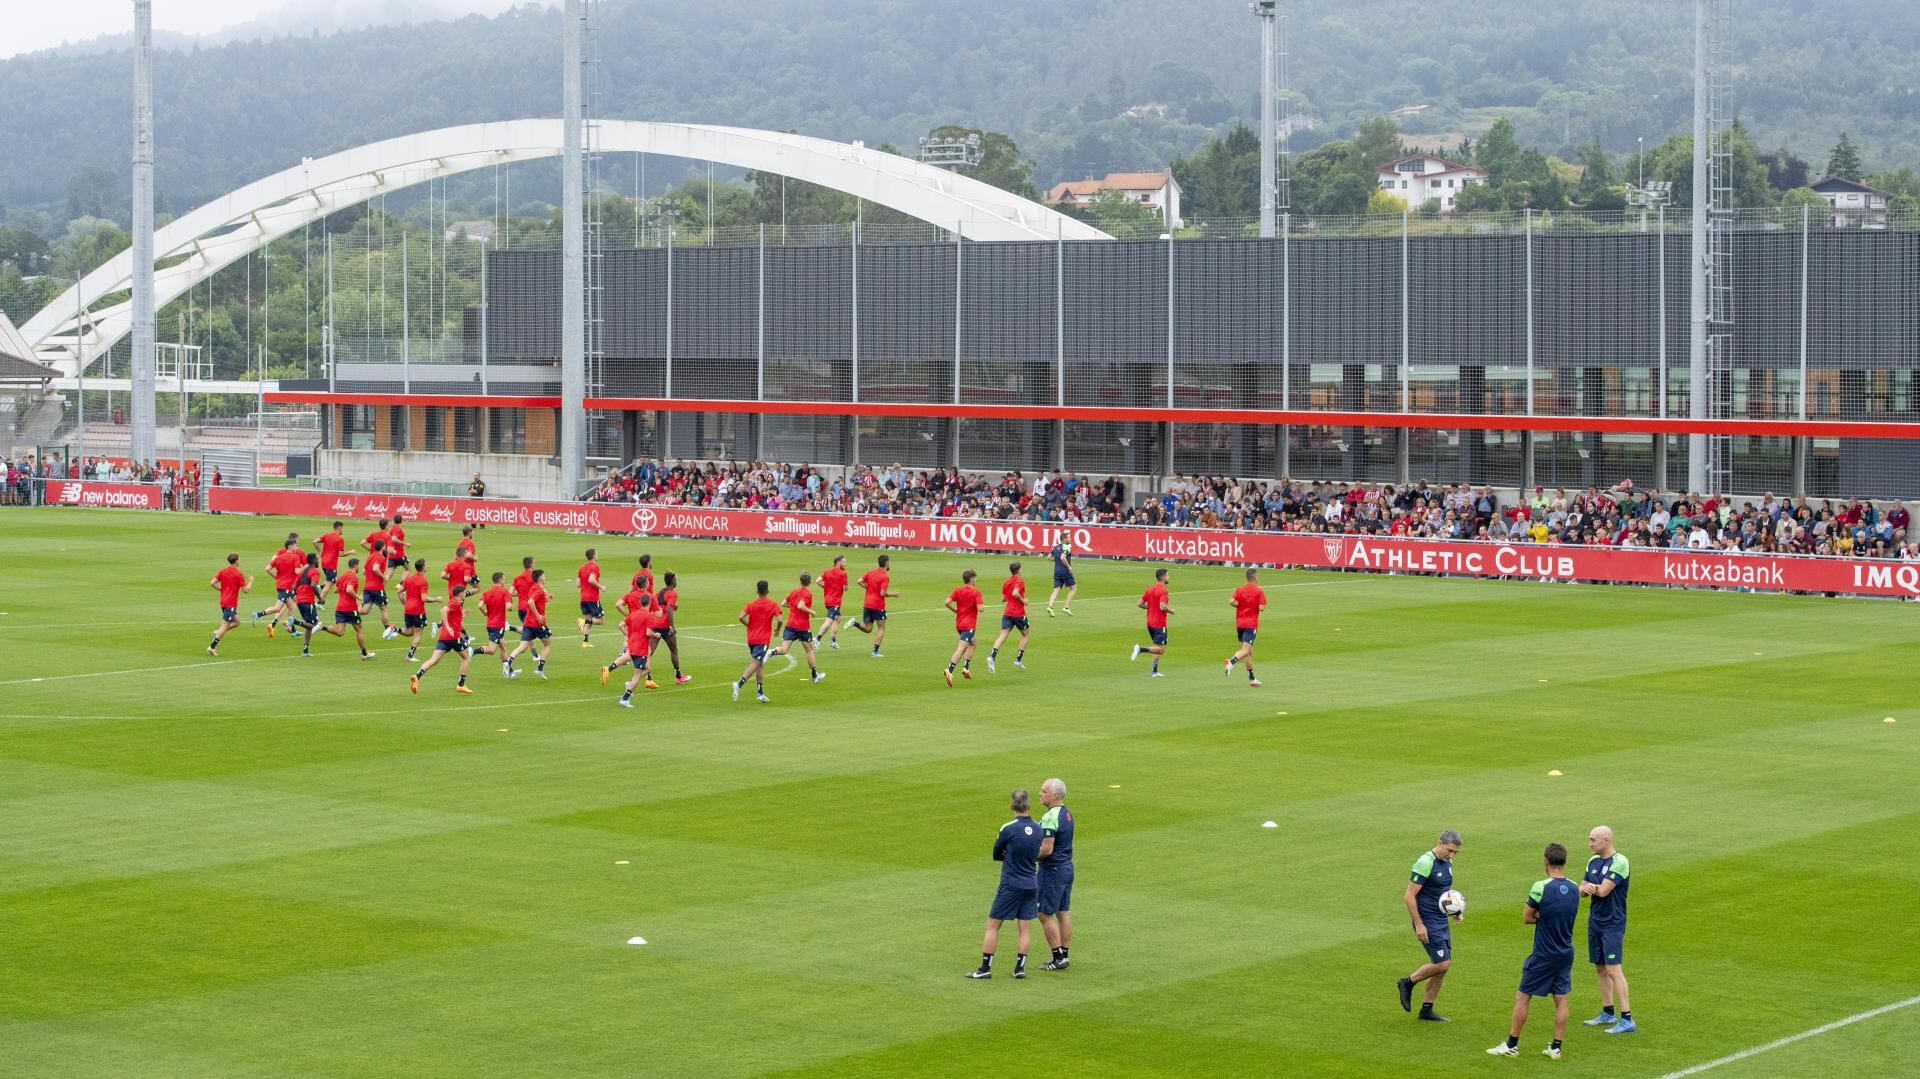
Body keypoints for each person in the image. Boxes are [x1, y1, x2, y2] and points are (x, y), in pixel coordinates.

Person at [1487, 844, 1580, 1060]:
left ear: (1545, 861)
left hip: (1543, 953)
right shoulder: (1575, 887)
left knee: (1523, 996)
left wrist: (1541, 917)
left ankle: (1512, 1045)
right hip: (1566, 951)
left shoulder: (1541, 886)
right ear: (1564, 862)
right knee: (1561, 999)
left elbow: (1527, 917)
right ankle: (1556, 1047)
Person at [966, 788, 1043, 980]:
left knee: (993, 924)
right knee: (1024, 927)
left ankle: (985, 969)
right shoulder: (1038, 828)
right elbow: (1035, 853)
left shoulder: (1008, 828)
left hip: (1011, 883)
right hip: (1031, 883)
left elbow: (995, 853)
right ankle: (1019, 969)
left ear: (1011, 806)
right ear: (1029, 806)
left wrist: (1008, 857)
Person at [1398, 829, 1464, 1022]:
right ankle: (1407, 982)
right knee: (1442, 963)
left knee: (1442, 968)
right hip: (1427, 920)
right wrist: (1419, 925)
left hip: (1440, 919)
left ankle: (1426, 1010)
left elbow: (1444, 893)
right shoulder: (1425, 862)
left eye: (1456, 853)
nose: (1452, 855)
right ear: (1440, 843)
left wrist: (1455, 912)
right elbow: (1409, 896)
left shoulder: (1447, 862)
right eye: (1450, 850)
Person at [1579, 826, 1635, 1034]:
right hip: (1595, 921)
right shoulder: (1593, 862)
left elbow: (1603, 890)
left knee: (1613, 968)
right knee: (1600, 967)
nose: (1590, 843)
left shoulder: (1620, 862)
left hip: (1613, 922)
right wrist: (1587, 888)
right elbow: (1581, 889)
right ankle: (1608, 1012)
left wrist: (1591, 888)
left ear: (1607, 840)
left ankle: (1627, 1018)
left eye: (1593, 840)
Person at [411, 580, 483, 695]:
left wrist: (461, 614)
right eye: (464, 592)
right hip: (454, 637)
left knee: (434, 660)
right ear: (459, 593)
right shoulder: (456, 602)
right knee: (467, 657)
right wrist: (449, 626)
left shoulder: (455, 603)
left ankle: (417, 675)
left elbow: (452, 615)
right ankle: (461, 685)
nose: (466, 593)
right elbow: (443, 610)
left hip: (444, 637)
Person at [1036, 777, 1074, 971]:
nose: (1040, 794)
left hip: (1052, 870)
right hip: (1067, 868)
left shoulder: (1051, 816)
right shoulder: (1067, 814)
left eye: (1044, 791)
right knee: (1063, 912)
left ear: (1056, 795)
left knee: (1044, 913)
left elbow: (1047, 849)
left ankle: (1058, 956)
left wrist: (1029, 857)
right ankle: (1064, 954)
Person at [315, 557, 376, 659]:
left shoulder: (342, 576)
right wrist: (358, 597)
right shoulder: (353, 577)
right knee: (359, 630)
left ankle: (322, 627)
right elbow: (349, 590)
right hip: (350, 608)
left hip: (340, 607)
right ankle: (365, 654)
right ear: (356, 565)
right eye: (358, 566)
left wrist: (345, 589)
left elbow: (335, 590)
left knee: (340, 632)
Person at [732, 580, 781, 703]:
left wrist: (749, 625)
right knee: (755, 663)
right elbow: (780, 619)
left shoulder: (751, 604)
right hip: (762, 640)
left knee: (760, 664)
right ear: (768, 590)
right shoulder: (773, 604)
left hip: (751, 638)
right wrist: (777, 630)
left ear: (757, 591)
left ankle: (760, 693)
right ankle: (739, 683)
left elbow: (740, 617)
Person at [773, 571, 826, 685]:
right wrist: (811, 611)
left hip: (790, 625)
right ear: (809, 581)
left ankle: (771, 652)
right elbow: (801, 605)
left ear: (800, 581)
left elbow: (783, 603)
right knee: (810, 650)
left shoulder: (794, 591)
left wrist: (793, 607)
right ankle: (814, 676)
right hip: (802, 626)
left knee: (784, 650)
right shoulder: (807, 593)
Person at [613, 593, 665, 707]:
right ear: (650, 603)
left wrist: (628, 635)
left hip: (632, 646)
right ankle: (625, 698)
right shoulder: (649, 616)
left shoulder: (633, 614)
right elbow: (647, 632)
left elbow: (620, 625)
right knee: (637, 675)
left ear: (640, 603)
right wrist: (656, 635)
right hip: (641, 648)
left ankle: (626, 683)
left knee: (647, 669)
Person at [845, 554, 899, 657]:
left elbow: (859, 581)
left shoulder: (871, 572)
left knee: (868, 628)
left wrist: (868, 588)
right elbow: (882, 593)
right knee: (881, 628)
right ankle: (875, 652)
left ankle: (854, 623)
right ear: (887, 563)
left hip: (867, 604)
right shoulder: (884, 576)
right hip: (878, 605)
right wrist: (893, 594)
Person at [504, 568, 553, 679]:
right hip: (538, 624)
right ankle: (539, 669)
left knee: (522, 647)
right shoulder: (539, 589)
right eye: (544, 576)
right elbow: (530, 602)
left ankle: (508, 662)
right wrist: (538, 615)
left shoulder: (534, 588)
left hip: (528, 623)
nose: (545, 578)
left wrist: (547, 599)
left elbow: (536, 600)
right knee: (548, 644)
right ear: (540, 578)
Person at [1223, 567, 1267, 688]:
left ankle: (1251, 678)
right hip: (1250, 624)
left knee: (1248, 652)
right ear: (1255, 577)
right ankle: (1230, 662)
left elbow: (1231, 601)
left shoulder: (1240, 589)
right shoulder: (1259, 591)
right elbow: (1262, 608)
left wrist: (1240, 605)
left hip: (1240, 623)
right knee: (1246, 651)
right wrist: (1254, 606)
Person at [253, 535, 303, 637]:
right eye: (295, 546)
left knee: (292, 606)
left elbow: (267, 569)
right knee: (277, 608)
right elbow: (297, 571)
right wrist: (305, 572)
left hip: (282, 585)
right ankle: (258, 614)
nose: (296, 548)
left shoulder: (279, 558)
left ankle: (292, 629)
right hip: (286, 587)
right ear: (290, 546)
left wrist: (277, 577)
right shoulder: (295, 557)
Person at [986, 561, 1029, 674]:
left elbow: (1003, 598)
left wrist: (1010, 597)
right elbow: (1015, 593)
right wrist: (1023, 600)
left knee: (1002, 636)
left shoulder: (1007, 581)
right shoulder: (1019, 580)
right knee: (1025, 635)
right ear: (1018, 570)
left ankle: (992, 656)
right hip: (1018, 613)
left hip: (1007, 612)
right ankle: (1018, 659)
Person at [1130, 568, 1175, 677]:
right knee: (1161, 650)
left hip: (1150, 622)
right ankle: (1141, 649)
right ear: (1163, 577)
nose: (1169, 577)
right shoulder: (1163, 590)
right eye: (1167, 575)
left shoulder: (1150, 589)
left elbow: (1140, 603)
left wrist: (1151, 607)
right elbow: (1162, 606)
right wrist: (1171, 611)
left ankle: (1154, 671)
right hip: (1159, 623)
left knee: (1156, 645)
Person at [944, 569, 984, 687]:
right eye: (975, 577)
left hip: (959, 624)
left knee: (973, 643)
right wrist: (981, 607)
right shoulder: (976, 592)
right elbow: (980, 608)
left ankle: (966, 668)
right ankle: (949, 670)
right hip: (969, 625)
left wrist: (955, 610)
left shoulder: (958, 590)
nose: (976, 580)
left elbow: (946, 602)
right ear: (971, 579)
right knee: (961, 648)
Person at [208, 553, 251, 656]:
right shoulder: (238, 574)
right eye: (239, 559)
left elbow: (212, 583)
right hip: (230, 603)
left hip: (223, 601)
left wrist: (222, 590)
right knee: (225, 625)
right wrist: (250, 582)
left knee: (237, 622)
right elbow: (245, 590)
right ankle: (212, 646)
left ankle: (219, 632)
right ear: (236, 561)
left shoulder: (223, 571)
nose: (240, 561)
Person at [399, 559, 438, 663]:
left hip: (408, 609)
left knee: (409, 632)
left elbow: (399, 591)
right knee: (418, 633)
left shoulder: (409, 578)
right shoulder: (423, 580)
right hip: (417, 610)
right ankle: (410, 656)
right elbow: (424, 598)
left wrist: (403, 601)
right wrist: (435, 599)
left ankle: (395, 630)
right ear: (423, 567)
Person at [654, 571, 690, 683]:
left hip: (655, 625)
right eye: (675, 579)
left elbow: (658, 606)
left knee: (647, 653)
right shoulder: (672, 594)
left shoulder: (659, 592)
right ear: (672, 581)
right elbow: (669, 609)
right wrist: (672, 626)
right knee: (674, 651)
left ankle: (634, 679)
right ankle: (678, 676)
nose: (676, 581)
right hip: (666, 627)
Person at [291, 553, 329, 658]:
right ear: (313, 560)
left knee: (309, 625)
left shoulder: (302, 571)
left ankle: (305, 650)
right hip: (308, 601)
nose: (318, 561)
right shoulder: (314, 571)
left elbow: (293, 586)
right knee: (317, 625)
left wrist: (297, 596)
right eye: (317, 559)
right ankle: (294, 621)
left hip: (300, 601)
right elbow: (313, 585)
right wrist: (320, 598)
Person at [363, 539, 397, 640]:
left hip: (367, 586)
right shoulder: (380, 557)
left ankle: (350, 610)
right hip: (377, 587)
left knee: (365, 610)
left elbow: (365, 571)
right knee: (384, 608)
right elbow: (375, 568)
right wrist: (384, 577)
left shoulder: (370, 556)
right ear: (383, 547)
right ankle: (387, 631)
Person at [478, 571, 513, 664]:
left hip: (490, 624)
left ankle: (508, 670)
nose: (504, 581)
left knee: (503, 645)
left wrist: (485, 612)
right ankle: (472, 652)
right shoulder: (504, 591)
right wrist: (510, 608)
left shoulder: (486, 592)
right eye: (504, 579)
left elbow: (480, 605)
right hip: (498, 625)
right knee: (492, 650)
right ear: (500, 580)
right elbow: (509, 606)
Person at [818, 554, 849, 649]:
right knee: (829, 621)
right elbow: (845, 588)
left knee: (838, 618)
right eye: (844, 562)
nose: (846, 564)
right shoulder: (843, 573)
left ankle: (833, 640)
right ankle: (817, 638)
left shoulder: (827, 572)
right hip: (835, 601)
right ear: (838, 562)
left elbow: (818, 581)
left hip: (827, 600)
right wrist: (845, 586)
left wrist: (827, 587)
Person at [577, 548, 604, 647]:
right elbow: (591, 579)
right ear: (593, 556)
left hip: (583, 598)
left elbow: (578, 584)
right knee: (601, 620)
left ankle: (585, 642)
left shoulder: (581, 568)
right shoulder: (595, 566)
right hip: (592, 598)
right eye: (597, 553)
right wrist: (601, 587)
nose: (598, 555)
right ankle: (582, 621)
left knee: (590, 619)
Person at [1045, 536, 1076, 616]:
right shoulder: (1067, 547)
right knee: (1073, 588)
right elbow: (1063, 557)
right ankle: (1066, 607)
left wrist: (1056, 560)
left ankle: (1050, 607)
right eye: (1069, 538)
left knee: (1056, 590)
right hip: (1065, 571)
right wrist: (1069, 566)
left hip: (1057, 571)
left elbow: (1048, 557)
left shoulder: (1055, 547)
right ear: (1064, 539)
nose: (1070, 539)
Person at [511, 556, 537, 630]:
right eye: (534, 563)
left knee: (530, 632)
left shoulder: (517, 577)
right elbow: (539, 590)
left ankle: (511, 628)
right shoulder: (534, 576)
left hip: (521, 608)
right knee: (533, 631)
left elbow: (511, 592)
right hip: (530, 608)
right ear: (531, 565)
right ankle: (511, 628)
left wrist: (522, 592)